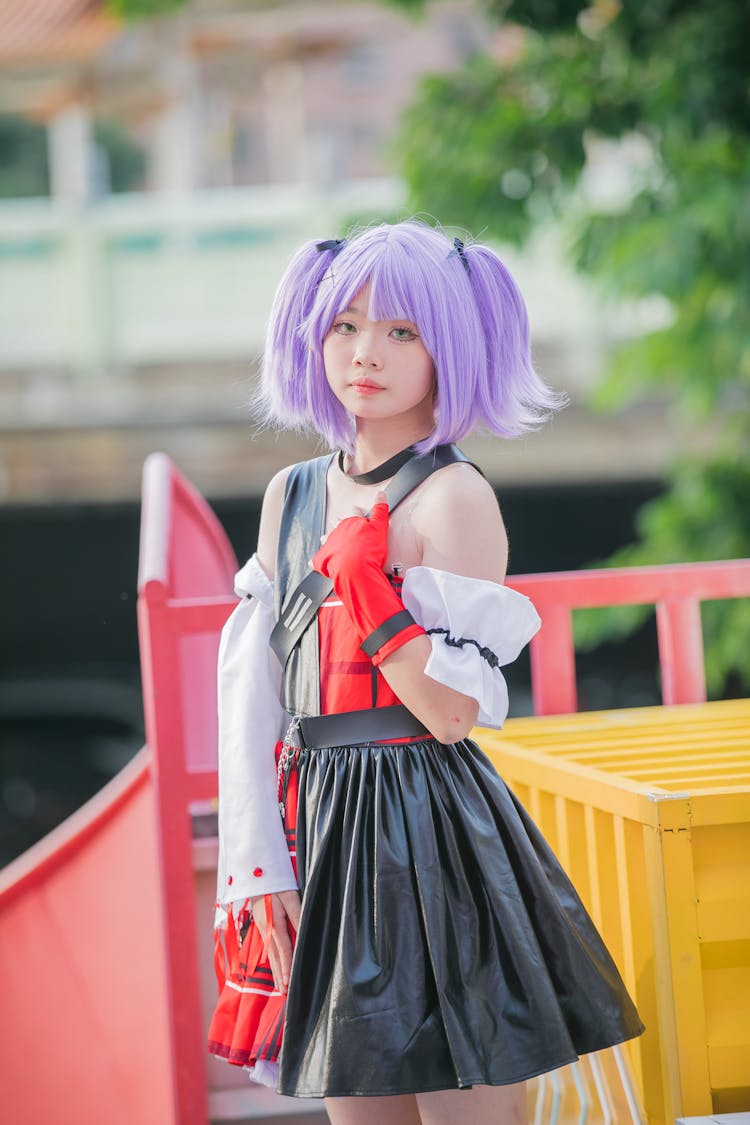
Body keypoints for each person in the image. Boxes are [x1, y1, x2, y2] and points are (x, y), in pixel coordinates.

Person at [208, 221, 643, 1125]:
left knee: (462, 1099)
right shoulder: (289, 495)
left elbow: (451, 711)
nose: (366, 354)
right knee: (355, 1106)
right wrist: (256, 867)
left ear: (452, 349)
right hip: (318, 815)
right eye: (346, 326)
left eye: (403, 332)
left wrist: (373, 596)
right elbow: (253, 685)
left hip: (427, 827)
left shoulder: (454, 497)